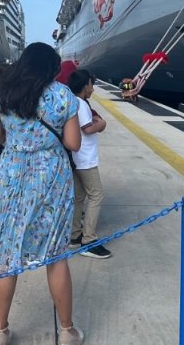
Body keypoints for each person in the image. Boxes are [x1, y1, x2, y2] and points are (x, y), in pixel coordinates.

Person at [0, 42, 84, 345]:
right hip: (51, 177)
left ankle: (1, 330)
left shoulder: (1, 93)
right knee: (55, 256)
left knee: (7, 255)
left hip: (12, 176)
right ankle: (66, 330)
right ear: (52, 68)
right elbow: (74, 143)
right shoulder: (62, 95)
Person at [67, 69, 111, 259]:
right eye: (91, 85)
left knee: (78, 197)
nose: (93, 89)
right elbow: (88, 129)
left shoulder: (71, 101)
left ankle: (74, 235)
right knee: (96, 195)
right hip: (85, 160)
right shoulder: (82, 105)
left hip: (75, 158)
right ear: (85, 86)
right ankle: (89, 240)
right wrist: (102, 124)